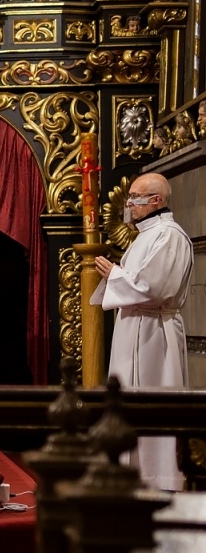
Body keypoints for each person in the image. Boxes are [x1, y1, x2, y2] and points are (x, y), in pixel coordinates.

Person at [92, 173, 192, 491]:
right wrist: (119, 276)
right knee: (128, 403)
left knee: (154, 404)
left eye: (135, 197)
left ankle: (158, 478)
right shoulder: (145, 235)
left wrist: (116, 273)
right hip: (135, 326)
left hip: (155, 333)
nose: (129, 203)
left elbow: (156, 287)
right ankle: (130, 473)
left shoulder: (169, 235)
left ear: (156, 201)